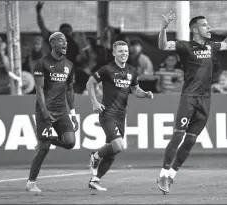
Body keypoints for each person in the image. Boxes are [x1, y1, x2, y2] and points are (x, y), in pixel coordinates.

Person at [156, 11, 227, 194]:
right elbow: (163, 46)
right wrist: (163, 28)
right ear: (195, 29)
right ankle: (162, 173)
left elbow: (226, 44)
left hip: (205, 100)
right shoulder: (185, 46)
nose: (209, 28)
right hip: (189, 97)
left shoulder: (210, 46)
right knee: (178, 136)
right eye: (205, 25)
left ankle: (170, 177)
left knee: (190, 141)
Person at [86, 40, 154, 191]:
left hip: (120, 115)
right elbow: (90, 83)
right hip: (107, 113)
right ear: (114, 53)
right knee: (118, 146)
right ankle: (95, 155)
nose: (124, 54)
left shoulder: (132, 70)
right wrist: (95, 103)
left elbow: (135, 90)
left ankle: (95, 180)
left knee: (113, 151)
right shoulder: (106, 69)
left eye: (126, 51)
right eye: (121, 51)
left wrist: (145, 94)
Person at [25, 32, 79, 193]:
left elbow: (70, 90)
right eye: (61, 40)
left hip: (61, 111)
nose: (65, 44)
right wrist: (44, 111)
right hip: (45, 111)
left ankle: (43, 138)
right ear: (53, 43)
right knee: (44, 147)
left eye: (66, 41)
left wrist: (73, 114)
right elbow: (39, 90)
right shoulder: (42, 63)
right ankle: (31, 183)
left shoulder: (69, 65)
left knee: (70, 142)